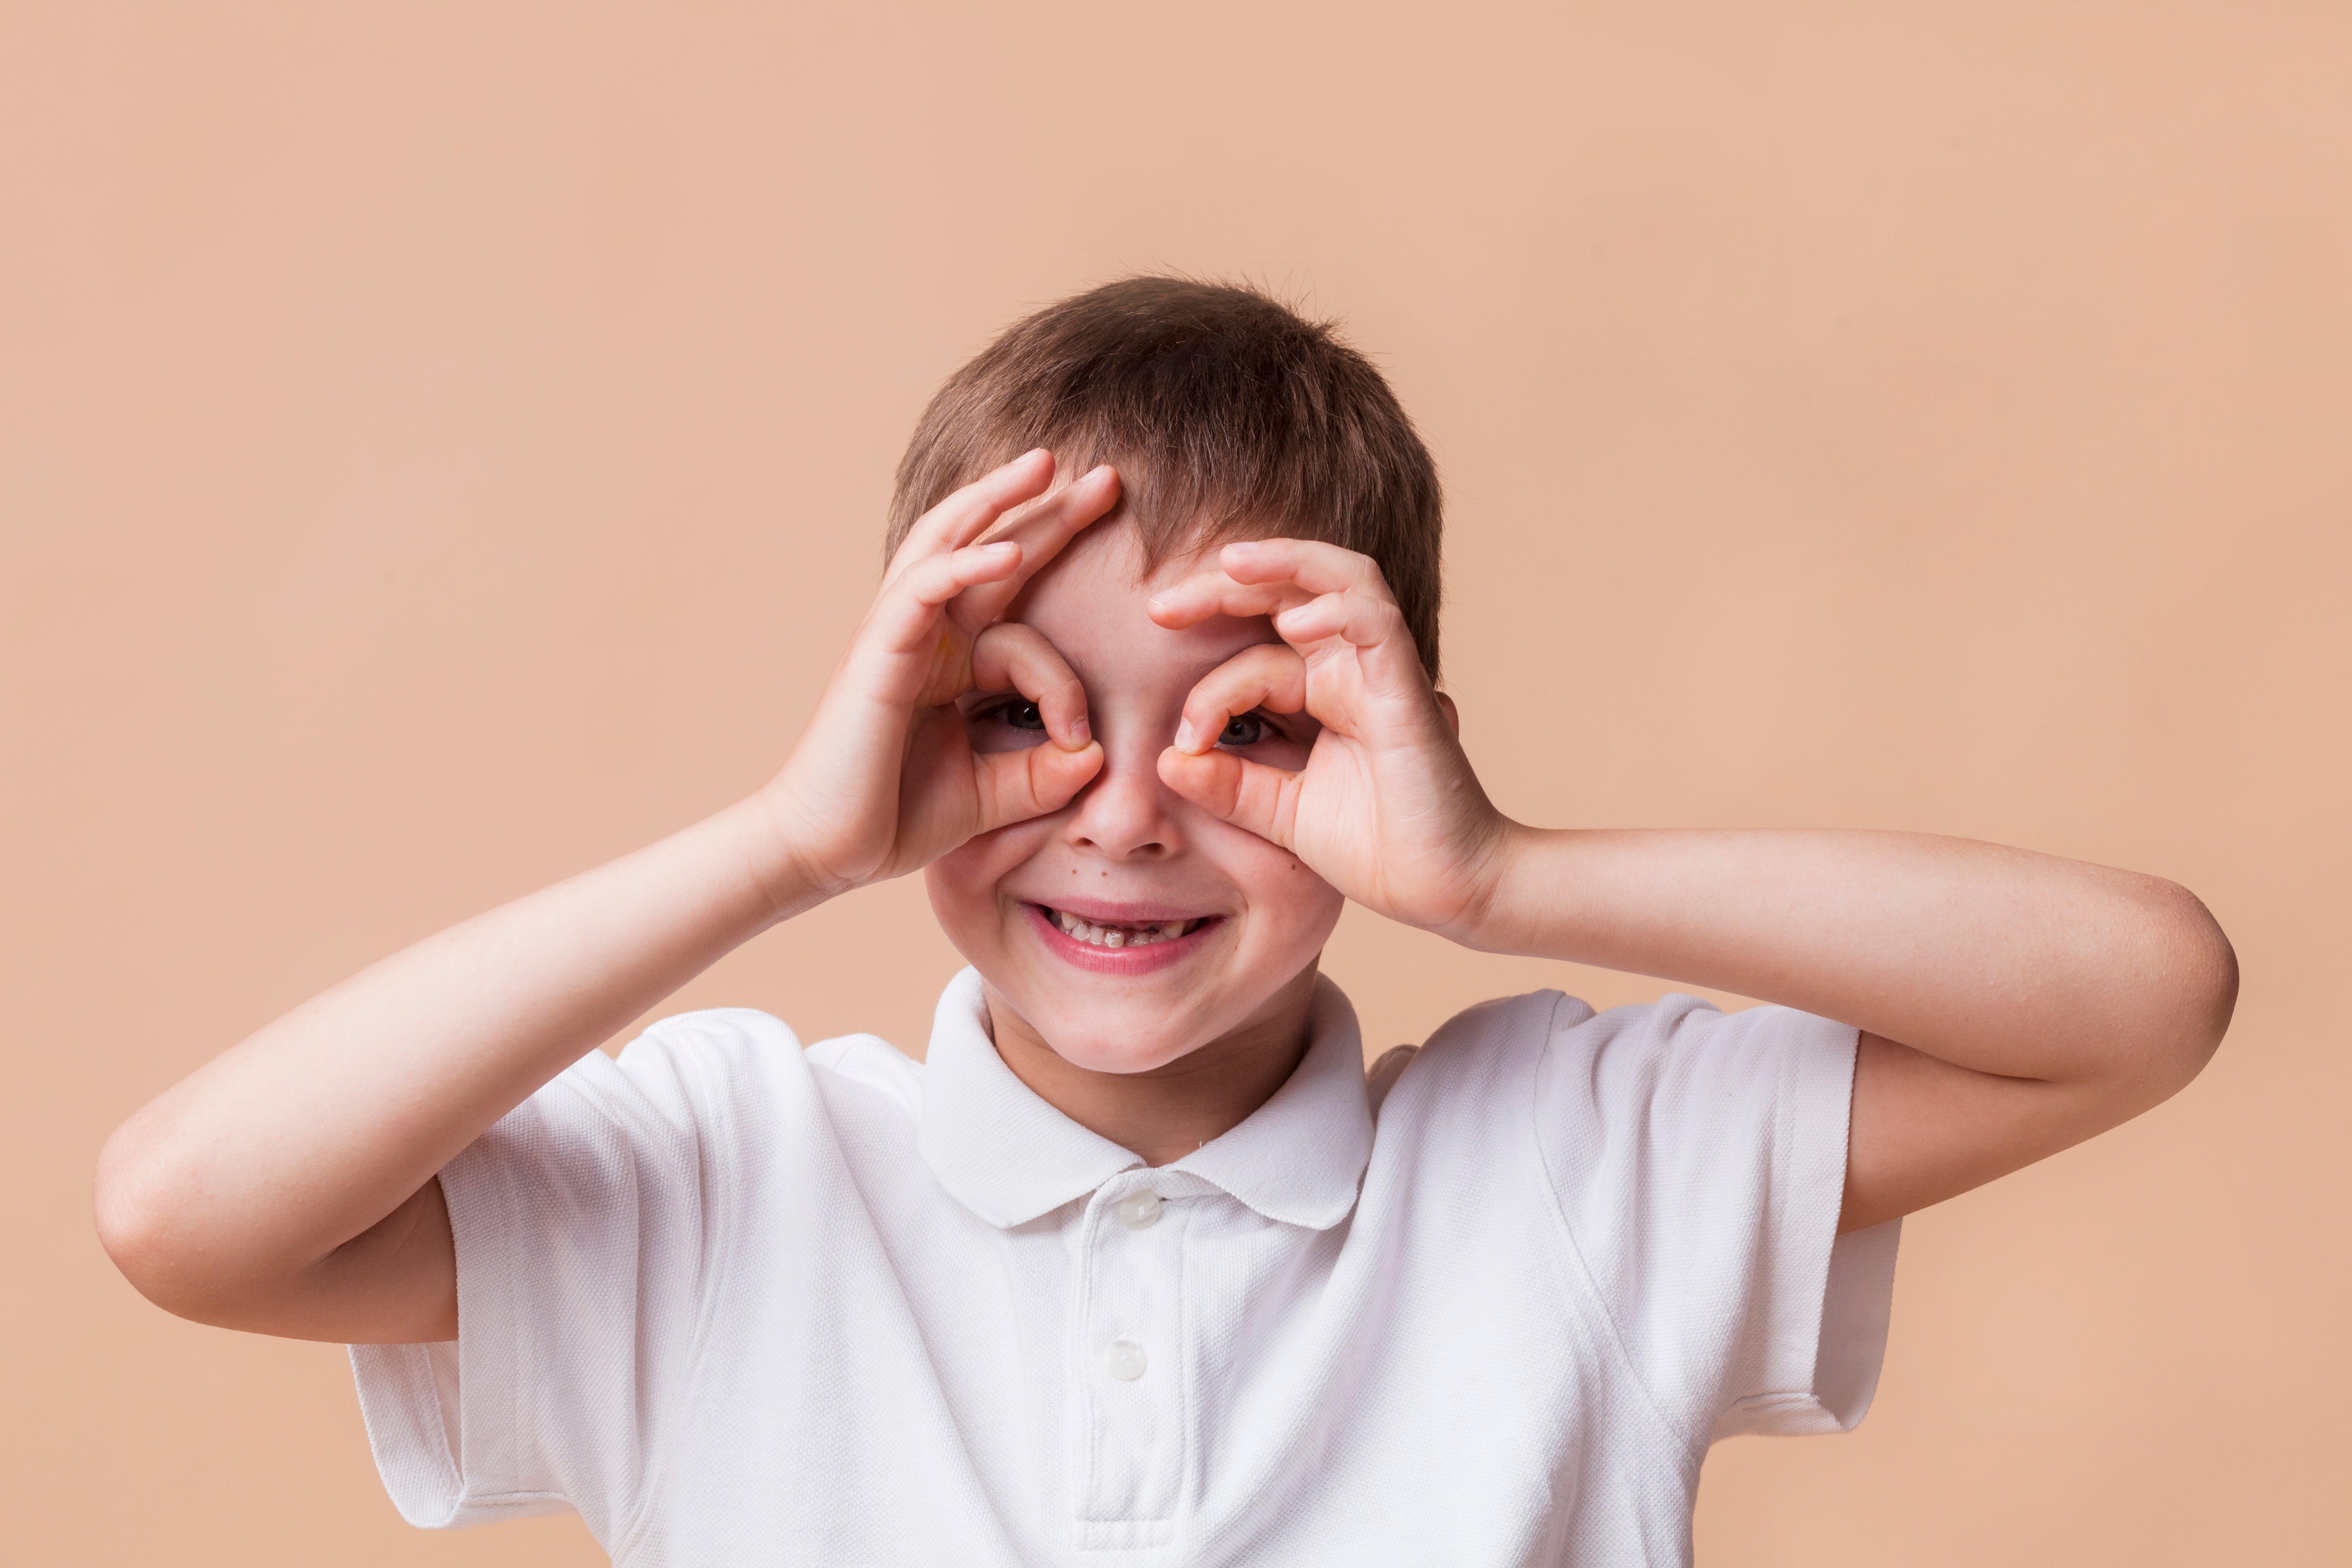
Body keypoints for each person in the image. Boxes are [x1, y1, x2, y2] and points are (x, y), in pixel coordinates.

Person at [95, 277, 2237, 1566]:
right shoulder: (729, 1185)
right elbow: (186, 1216)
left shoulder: (1575, 1167)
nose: (1121, 817)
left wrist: (1503, 877)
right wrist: (780, 846)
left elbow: (2148, 997)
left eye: (1252, 732)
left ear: (1383, 743)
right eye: (1016, 715)